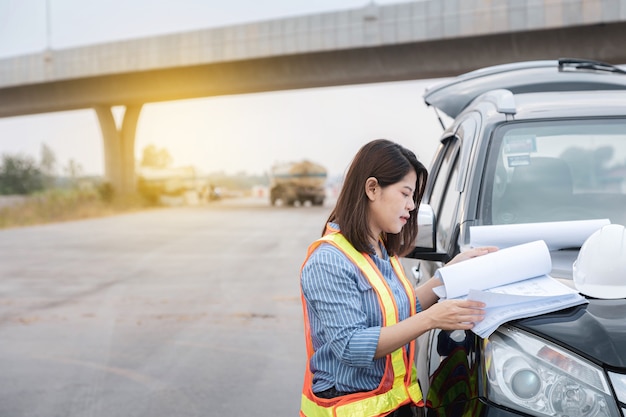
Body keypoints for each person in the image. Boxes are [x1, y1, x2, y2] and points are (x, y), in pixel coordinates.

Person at [299, 139, 497, 417]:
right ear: (372, 188)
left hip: (396, 406)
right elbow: (351, 346)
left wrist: (451, 274)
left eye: (414, 197)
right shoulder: (329, 261)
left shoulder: (380, 249)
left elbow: (400, 309)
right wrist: (432, 319)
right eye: (405, 194)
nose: (412, 206)